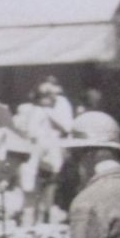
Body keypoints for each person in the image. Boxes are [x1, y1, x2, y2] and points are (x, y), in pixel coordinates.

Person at [15, 77, 74, 225]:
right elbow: (31, 133)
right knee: (31, 200)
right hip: (36, 158)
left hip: (49, 159)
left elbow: (66, 127)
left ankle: (41, 228)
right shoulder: (31, 111)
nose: (51, 99)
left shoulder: (56, 108)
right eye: (47, 96)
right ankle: (30, 229)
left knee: (46, 199)